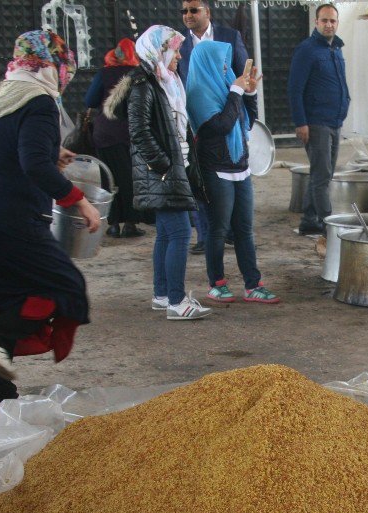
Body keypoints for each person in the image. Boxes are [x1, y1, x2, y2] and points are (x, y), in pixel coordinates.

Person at [0, 29, 102, 409]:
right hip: (8, 221)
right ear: (53, 64)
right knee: (65, 287)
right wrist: (79, 201)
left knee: (2, 301)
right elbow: (32, 165)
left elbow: (10, 148)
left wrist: (54, 150)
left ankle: (0, 410)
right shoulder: (40, 102)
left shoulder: (0, 93)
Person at [105, 25, 210, 321]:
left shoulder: (165, 80)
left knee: (166, 233)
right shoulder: (144, 84)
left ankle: (162, 295)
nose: (178, 55)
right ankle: (177, 301)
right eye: (174, 50)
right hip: (162, 171)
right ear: (158, 51)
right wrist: (163, 165)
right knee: (179, 232)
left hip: (170, 167)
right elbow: (139, 132)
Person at [187, 40, 279, 305]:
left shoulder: (228, 87)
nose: (227, 67)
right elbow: (222, 125)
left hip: (240, 166)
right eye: (222, 62)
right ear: (208, 63)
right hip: (216, 170)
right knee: (218, 229)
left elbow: (246, 122)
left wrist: (248, 94)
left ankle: (253, 284)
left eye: (227, 62)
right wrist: (236, 92)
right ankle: (217, 283)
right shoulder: (199, 92)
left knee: (244, 229)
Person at [179, 0, 248, 253]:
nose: (188, 15)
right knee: (201, 179)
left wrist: (247, 124)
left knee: (232, 180)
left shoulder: (230, 37)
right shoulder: (180, 45)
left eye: (193, 10)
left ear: (207, 12)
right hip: (197, 122)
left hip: (230, 120)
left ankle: (227, 231)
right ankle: (205, 236)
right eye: (184, 11)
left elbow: (242, 78)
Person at [287, 3, 350, 236]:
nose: (329, 24)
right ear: (316, 22)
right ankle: (329, 225)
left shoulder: (336, 48)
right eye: (324, 20)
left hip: (334, 121)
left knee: (322, 173)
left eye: (332, 21)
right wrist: (300, 122)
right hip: (316, 122)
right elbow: (294, 89)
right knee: (323, 176)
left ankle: (309, 220)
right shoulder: (307, 50)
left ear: (337, 22)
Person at [85, 38, 145, 239]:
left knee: (108, 178)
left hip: (104, 134)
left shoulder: (103, 73)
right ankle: (130, 223)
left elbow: (90, 101)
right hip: (129, 134)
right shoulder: (137, 74)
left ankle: (113, 224)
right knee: (129, 179)